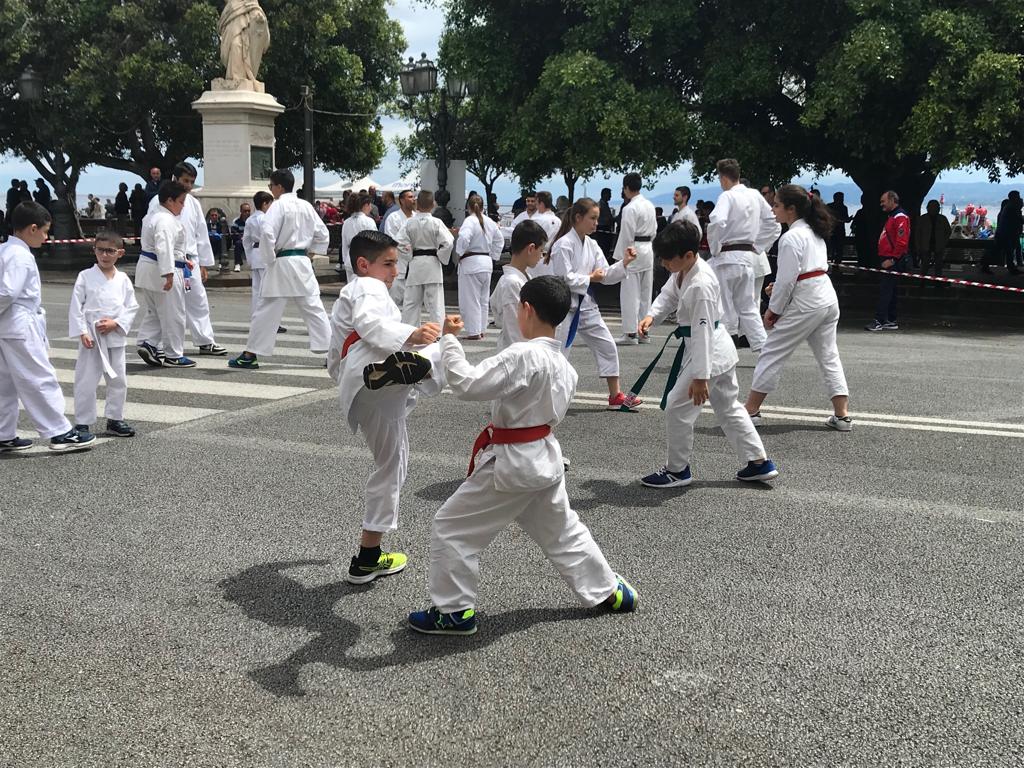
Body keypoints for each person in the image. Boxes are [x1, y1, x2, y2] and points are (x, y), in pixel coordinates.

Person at [408, 276, 638, 636]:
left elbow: (467, 384)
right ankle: (609, 591)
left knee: (451, 527)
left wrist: (449, 340)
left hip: (512, 462)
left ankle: (452, 612)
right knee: (563, 532)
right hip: (544, 459)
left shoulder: (522, 354)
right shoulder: (565, 365)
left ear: (526, 308)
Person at [326, 230, 443, 585]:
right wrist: (410, 336)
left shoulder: (360, 290)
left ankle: (403, 371)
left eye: (396, 263)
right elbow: (369, 323)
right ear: (364, 264)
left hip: (363, 379)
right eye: (388, 263)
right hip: (369, 369)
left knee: (392, 463)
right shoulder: (366, 286)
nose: (395, 271)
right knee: (392, 466)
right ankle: (367, 557)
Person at [636, 220, 779, 487]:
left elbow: (702, 334)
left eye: (668, 260)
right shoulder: (686, 270)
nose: (664, 264)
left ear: (688, 255)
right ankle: (759, 462)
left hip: (709, 352)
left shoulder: (700, 284)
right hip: (717, 350)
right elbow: (668, 294)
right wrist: (651, 316)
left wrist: (700, 377)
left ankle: (677, 470)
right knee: (729, 408)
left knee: (678, 407)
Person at [742, 185, 851, 432]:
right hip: (825, 297)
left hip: (807, 301)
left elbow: (789, 279)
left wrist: (774, 310)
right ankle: (842, 415)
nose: (773, 210)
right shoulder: (814, 232)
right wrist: (778, 293)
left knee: (772, 351)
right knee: (828, 354)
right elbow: (798, 276)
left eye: (777, 205)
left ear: (791, 209)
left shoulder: (791, 237)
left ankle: (751, 409)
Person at [0, 202, 96, 452]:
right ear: (32, 229)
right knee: (39, 377)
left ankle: (3, 433)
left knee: (5, 383)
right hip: (20, 325)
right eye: (44, 231)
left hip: (8, 326)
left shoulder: (6, 250)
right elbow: (7, 293)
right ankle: (59, 431)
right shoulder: (20, 256)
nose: (46, 237)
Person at [228, 169, 332, 369]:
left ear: (279, 187)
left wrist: (268, 259)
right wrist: (312, 253)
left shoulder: (278, 206)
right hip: (301, 261)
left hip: (281, 261)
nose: (270, 189)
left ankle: (250, 354)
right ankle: (333, 354)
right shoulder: (306, 206)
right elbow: (323, 234)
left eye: (270, 185)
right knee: (313, 308)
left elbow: (267, 234)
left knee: (266, 308)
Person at [547, 197, 638, 410]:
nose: (596, 223)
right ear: (578, 218)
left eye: (597, 219)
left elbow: (604, 274)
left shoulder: (592, 244)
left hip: (587, 304)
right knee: (559, 353)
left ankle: (615, 396)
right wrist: (590, 278)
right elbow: (563, 278)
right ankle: (548, 397)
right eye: (593, 218)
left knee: (607, 344)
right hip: (565, 306)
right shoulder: (563, 244)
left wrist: (624, 263)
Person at [147, 163, 227, 356]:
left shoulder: (193, 203)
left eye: (191, 181)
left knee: (199, 301)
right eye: (185, 181)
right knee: (169, 307)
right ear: (175, 178)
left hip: (191, 260)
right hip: (170, 260)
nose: (189, 185)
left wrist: (205, 263)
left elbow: (201, 233)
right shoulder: (157, 202)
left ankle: (205, 341)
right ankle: (154, 345)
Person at [68, 231, 139, 438]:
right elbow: (76, 306)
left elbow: (132, 307)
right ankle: (82, 421)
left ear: (120, 253)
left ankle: (115, 418)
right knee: (86, 381)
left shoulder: (124, 279)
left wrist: (116, 322)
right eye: (101, 250)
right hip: (92, 335)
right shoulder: (85, 276)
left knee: (118, 380)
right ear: (94, 251)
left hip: (114, 335)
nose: (105, 255)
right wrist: (82, 331)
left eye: (110, 251)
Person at [705, 158, 780, 353]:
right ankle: (765, 350)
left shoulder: (727, 197)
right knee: (748, 307)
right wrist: (758, 246)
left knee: (725, 306)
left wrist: (715, 249)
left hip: (727, 257)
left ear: (723, 178)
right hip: (747, 258)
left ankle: (725, 351)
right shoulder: (754, 195)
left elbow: (716, 222)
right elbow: (774, 223)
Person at [135, 181, 195, 369]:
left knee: (155, 312)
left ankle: (148, 342)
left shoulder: (153, 215)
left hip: (148, 268)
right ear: (169, 200)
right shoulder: (165, 220)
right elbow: (164, 247)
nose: (183, 206)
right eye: (181, 201)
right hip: (162, 270)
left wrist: (183, 260)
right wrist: (168, 273)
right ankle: (173, 355)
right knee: (173, 314)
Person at [396, 190, 454, 327]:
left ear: (416, 204)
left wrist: (409, 255)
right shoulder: (436, 222)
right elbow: (449, 242)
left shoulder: (409, 223)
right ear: (433, 204)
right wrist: (440, 255)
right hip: (432, 263)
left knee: (411, 302)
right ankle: (438, 335)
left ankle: (409, 332)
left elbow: (399, 241)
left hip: (416, 263)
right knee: (436, 304)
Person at [613, 173, 657, 346]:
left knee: (630, 293)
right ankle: (643, 331)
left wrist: (620, 258)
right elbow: (654, 230)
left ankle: (631, 333)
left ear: (626, 188)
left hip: (634, 248)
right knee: (646, 293)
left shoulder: (630, 208)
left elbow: (626, 234)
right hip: (647, 248)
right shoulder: (649, 205)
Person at [490, 220, 547, 351]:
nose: (541, 256)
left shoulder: (522, 277)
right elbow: (514, 331)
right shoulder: (511, 283)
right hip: (516, 354)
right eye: (541, 250)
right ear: (531, 248)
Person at [454, 193, 504, 340]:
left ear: (468, 206)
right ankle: (481, 329)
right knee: (483, 299)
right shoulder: (490, 222)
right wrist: (494, 257)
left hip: (471, 262)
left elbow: (463, 237)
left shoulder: (470, 221)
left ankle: (474, 331)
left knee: (471, 299)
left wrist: (460, 252)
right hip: (486, 261)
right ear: (483, 207)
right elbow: (499, 240)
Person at [865, 190, 910, 332]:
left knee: (886, 290)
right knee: (891, 289)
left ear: (892, 200)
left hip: (892, 259)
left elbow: (902, 241)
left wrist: (893, 259)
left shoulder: (899, 217)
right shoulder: (893, 216)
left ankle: (879, 320)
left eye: (883, 201)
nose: (881, 204)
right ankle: (891, 319)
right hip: (889, 257)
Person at [242, 191, 273, 319]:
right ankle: (268, 319)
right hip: (264, 253)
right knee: (268, 289)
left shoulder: (250, 219)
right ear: (265, 204)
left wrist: (249, 258)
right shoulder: (265, 218)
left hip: (255, 254)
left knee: (256, 289)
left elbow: (246, 240)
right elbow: (269, 237)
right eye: (270, 204)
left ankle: (256, 317)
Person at [383, 189, 416, 306]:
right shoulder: (393, 218)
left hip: (414, 266)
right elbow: (391, 239)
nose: (413, 200)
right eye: (410, 197)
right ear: (401, 200)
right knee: (393, 301)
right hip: (399, 264)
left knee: (412, 304)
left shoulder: (417, 217)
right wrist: (406, 246)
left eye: (414, 197)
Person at [340, 193, 378, 283]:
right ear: (365, 205)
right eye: (369, 205)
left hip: (350, 259)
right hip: (366, 258)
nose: (371, 208)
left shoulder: (346, 222)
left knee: (352, 289)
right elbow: (376, 242)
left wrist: (345, 260)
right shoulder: (368, 221)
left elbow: (344, 245)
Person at [915, 199, 952, 278]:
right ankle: (922, 282)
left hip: (938, 246)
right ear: (928, 208)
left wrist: (943, 242)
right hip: (925, 246)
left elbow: (948, 231)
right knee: (924, 265)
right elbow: (917, 234)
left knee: (938, 266)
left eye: (936, 207)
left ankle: (937, 282)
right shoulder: (922, 219)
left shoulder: (942, 219)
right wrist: (918, 247)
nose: (934, 209)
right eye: (932, 207)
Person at [825, 192, 851, 264]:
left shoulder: (844, 208)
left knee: (839, 250)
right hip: (832, 231)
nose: (842, 200)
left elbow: (845, 219)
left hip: (839, 231)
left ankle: (837, 265)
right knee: (829, 248)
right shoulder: (830, 206)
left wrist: (847, 219)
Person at [230, 202, 251, 272]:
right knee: (238, 244)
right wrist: (241, 237)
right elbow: (233, 231)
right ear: (241, 211)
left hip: (251, 241)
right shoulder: (236, 221)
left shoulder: (252, 220)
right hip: (241, 241)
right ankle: (237, 264)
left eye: (248, 211)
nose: (247, 213)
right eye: (245, 211)